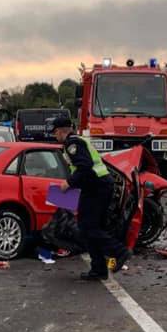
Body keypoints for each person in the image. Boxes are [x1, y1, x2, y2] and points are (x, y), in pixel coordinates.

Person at [51, 114, 127, 282]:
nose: (55, 137)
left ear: (59, 131)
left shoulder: (73, 144)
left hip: (97, 188)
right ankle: (98, 269)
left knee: (87, 228)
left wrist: (68, 183)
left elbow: (84, 167)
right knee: (90, 229)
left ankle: (119, 251)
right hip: (97, 187)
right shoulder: (77, 141)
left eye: (55, 133)